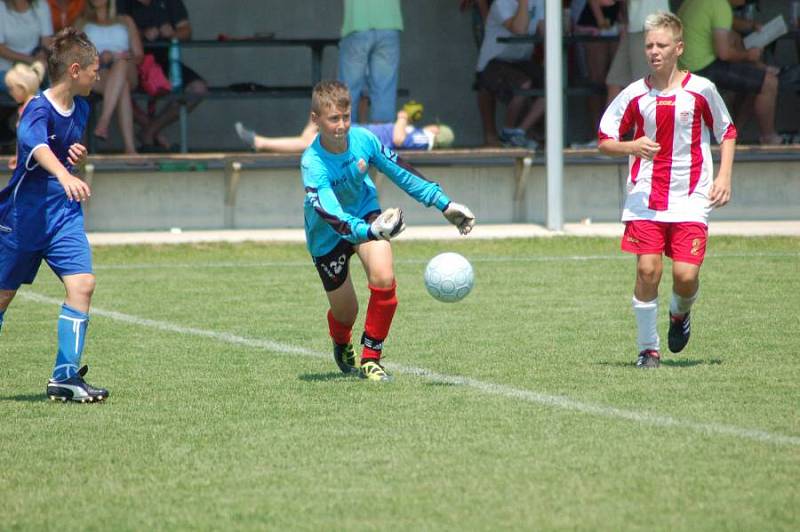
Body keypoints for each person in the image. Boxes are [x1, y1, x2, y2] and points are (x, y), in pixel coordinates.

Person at [301, 80, 475, 382]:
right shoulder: (312, 163)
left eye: (346, 117)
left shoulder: (364, 140)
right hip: (329, 233)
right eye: (333, 119)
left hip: (367, 213)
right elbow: (332, 213)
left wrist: (444, 204)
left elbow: (400, 171)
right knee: (346, 313)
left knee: (384, 276)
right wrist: (369, 231)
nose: (341, 125)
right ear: (316, 120)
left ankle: (371, 357)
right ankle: (341, 341)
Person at [597, 12, 736, 368]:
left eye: (661, 45)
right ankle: (648, 349)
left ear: (679, 48)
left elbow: (728, 131)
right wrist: (632, 147)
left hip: (691, 197)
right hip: (645, 197)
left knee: (686, 277)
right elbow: (605, 140)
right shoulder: (634, 95)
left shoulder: (701, 89)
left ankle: (679, 314)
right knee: (647, 271)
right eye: (649, 45)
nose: (654, 51)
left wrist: (723, 178)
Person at [0, 27, 109, 401]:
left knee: (83, 285)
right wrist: (64, 173)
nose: (100, 75)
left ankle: (65, 377)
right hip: (24, 217)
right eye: (96, 68)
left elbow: (63, 150)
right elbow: (34, 145)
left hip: (63, 215)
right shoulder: (37, 108)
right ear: (75, 70)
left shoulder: (82, 107)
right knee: (2, 297)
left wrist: (76, 160)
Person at [677, 0, 780, 145]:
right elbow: (724, 54)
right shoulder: (721, 6)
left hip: (684, 67)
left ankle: (732, 134)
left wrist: (750, 25)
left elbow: (727, 22)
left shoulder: (705, 3)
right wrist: (748, 55)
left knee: (754, 78)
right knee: (769, 83)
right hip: (702, 69)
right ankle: (769, 137)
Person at [116, 0, 207, 152]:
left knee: (198, 89)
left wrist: (172, 34)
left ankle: (150, 131)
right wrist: (142, 34)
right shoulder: (122, 3)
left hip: (166, 62)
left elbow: (186, 31)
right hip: (133, 63)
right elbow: (113, 30)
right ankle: (152, 133)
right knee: (115, 89)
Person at [475, 0, 545, 148]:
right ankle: (508, 132)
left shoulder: (539, 2)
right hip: (494, 61)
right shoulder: (501, 3)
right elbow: (519, 29)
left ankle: (519, 131)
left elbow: (544, 31)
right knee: (523, 84)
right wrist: (524, 3)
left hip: (521, 61)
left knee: (554, 84)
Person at [78, 0, 142, 153]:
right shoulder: (82, 22)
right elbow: (74, 56)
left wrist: (115, 56)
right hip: (97, 71)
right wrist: (96, 58)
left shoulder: (126, 20)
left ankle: (104, 120)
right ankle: (130, 149)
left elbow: (139, 55)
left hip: (127, 67)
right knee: (122, 87)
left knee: (121, 63)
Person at [234, 109, 455, 153]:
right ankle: (260, 142)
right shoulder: (421, 137)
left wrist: (403, 116)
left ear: (436, 130)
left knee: (309, 141)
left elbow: (398, 138)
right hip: (360, 133)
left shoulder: (423, 137)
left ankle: (260, 142)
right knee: (310, 137)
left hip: (358, 139)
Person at [338, 0, 403, 123]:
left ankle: (345, 137)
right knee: (384, 90)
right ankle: (382, 137)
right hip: (390, 23)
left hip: (356, 23)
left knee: (349, 88)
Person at [606, 0, 671, 102]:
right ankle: (612, 118)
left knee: (644, 87)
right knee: (615, 81)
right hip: (636, 28)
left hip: (648, 28)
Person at [0, 0, 54, 87]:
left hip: (35, 66)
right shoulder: (1, 7)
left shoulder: (41, 5)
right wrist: (31, 60)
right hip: (6, 70)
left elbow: (46, 42)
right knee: (31, 91)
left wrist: (41, 54)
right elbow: (1, 50)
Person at [3, 60, 45, 168]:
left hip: (37, 165)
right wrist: (19, 157)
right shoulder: (25, 108)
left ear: (22, 88)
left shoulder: (35, 108)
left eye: (11, 89)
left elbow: (38, 140)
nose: (10, 93)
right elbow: (22, 139)